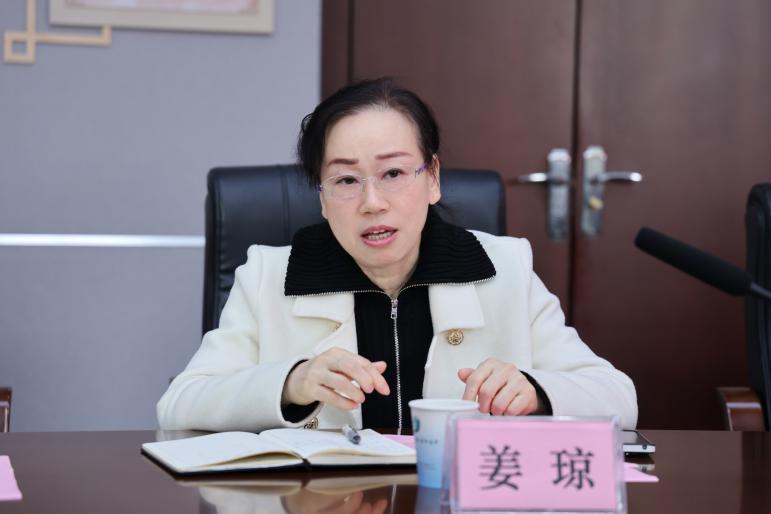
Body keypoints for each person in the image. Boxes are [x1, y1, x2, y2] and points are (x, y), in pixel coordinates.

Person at [157, 78, 637, 432]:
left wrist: (534, 390)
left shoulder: (504, 269)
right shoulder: (267, 276)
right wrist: (292, 383)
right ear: (321, 196)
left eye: (393, 174)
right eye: (346, 180)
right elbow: (180, 404)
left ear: (433, 179)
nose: (372, 203)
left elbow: (617, 396)